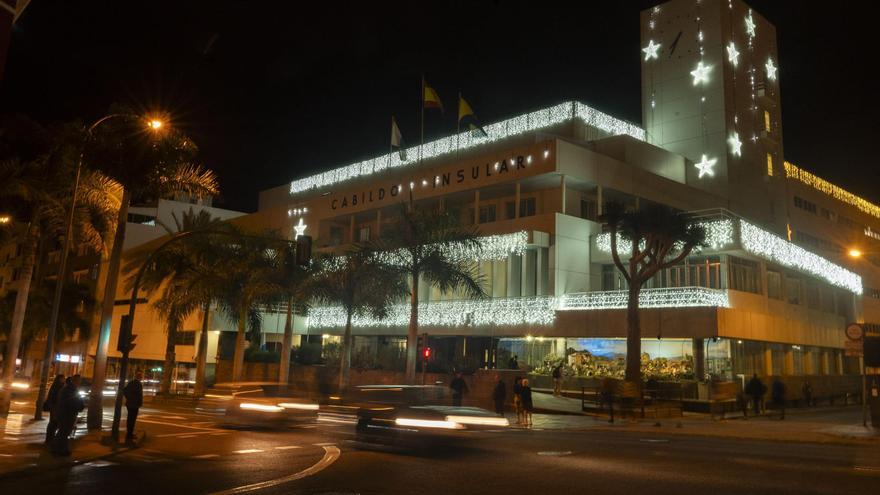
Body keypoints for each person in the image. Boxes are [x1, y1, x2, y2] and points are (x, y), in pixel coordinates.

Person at [52, 375, 84, 456]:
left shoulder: (70, 388)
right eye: (79, 380)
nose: (80, 382)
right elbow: (72, 402)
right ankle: (58, 450)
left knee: (65, 432)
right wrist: (80, 406)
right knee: (63, 432)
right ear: (76, 380)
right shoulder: (71, 389)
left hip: (66, 413)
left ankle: (62, 449)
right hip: (67, 414)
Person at [43, 373, 65, 444]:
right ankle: (50, 439)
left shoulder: (55, 386)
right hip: (55, 407)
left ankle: (49, 438)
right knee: (53, 423)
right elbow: (55, 398)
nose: (63, 380)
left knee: (53, 422)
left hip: (54, 407)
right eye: (62, 378)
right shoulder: (58, 386)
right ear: (59, 379)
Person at [123, 370, 144, 442]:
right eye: (141, 376)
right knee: (132, 419)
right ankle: (129, 434)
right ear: (140, 377)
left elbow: (125, 391)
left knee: (129, 419)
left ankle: (129, 433)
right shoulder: (139, 384)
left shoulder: (131, 383)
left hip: (129, 404)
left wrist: (128, 398)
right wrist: (139, 403)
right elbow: (139, 395)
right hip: (135, 405)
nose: (141, 377)